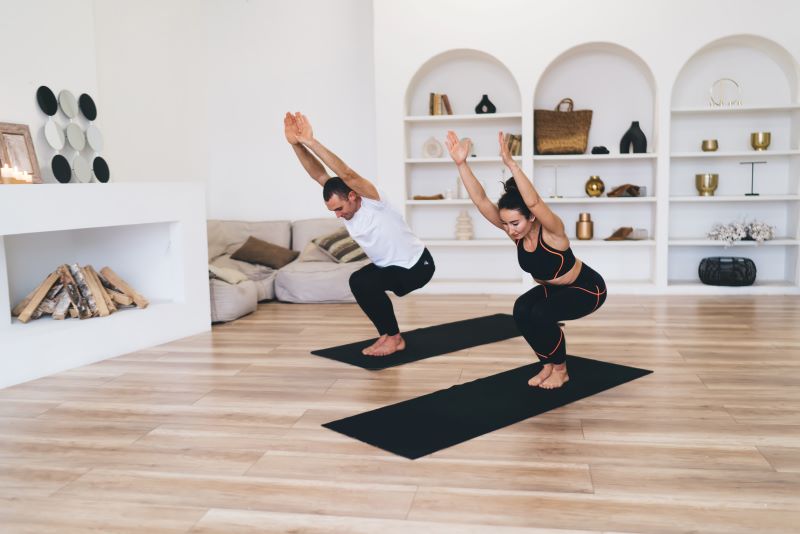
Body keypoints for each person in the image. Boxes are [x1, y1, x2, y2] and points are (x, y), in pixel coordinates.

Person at [445, 130, 607, 389]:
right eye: (506, 224)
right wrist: (461, 164)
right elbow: (480, 200)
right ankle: (547, 365)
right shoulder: (516, 234)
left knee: (542, 313)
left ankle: (561, 370)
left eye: (515, 223)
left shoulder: (554, 232)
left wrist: (511, 163)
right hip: (553, 291)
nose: (510, 229)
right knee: (521, 310)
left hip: (588, 289)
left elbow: (533, 200)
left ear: (531, 216)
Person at [284, 112, 435, 356]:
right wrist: (295, 145)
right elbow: (318, 174)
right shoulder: (342, 200)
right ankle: (388, 336)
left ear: (353, 195)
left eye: (339, 209)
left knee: (365, 281)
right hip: (391, 266)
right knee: (359, 282)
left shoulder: (374, 200)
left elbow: (347, 174)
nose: (338, 215)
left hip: (417, 266)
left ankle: (395, 339)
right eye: (333, 211)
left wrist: (312, 141)